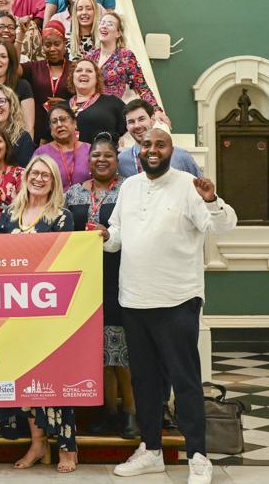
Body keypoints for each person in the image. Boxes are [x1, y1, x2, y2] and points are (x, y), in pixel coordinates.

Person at [103, 123, 238, 483]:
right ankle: (151, 451)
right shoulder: (129, 187)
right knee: (145, 382)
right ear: (138, 149)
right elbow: (116, 237)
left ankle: (198, 455)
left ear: (171, 150)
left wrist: (211, 200)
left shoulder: (188, 186)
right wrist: (104, 236)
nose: (153, 150)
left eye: (160, 145)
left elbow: (223, 227)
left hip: (178, 299)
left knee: (186, 380)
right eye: (147, 144)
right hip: (134, 299)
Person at [0, 156, 78, 472]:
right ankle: (37, 443)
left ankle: (68, 449)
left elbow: (63, 260)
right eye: (35, 173)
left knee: (57, 380)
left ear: (54, 181)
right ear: (26, 176)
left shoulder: (61, 216)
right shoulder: (9, 215)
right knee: (24, 380)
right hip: (14, 313)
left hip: (49, 313)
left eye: (46, 174)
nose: (39, 178)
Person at [65, 134, 137, 438]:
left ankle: (131, 413)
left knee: (121, 349)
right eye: (96, 156)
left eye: (108, 155)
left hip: (121, 278)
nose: (102, 160)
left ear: (116, 158)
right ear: (88, 160)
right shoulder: (72, 194)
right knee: (100, 351)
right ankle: (107, 412)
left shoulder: (129, 191)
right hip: (85, 282)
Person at [118, 100, 203, 178]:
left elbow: (203, 190)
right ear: (127, 126)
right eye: (131, 122)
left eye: (141, 119)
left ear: (153, 119)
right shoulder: (121, 161)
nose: (137, 125)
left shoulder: (181, 157)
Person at [25, 20, 74, 142]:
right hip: (39, 130)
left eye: (57, 44)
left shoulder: (75, 68)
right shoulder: (34, 67)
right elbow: (12, 68)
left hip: (66, 130)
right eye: (47, 45)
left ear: (65, 43)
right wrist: (21, 36)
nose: (52, 49)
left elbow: (87, 98)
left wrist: (67, 104)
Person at [68, 58, 127, 143]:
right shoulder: (61, 107)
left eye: (89, 71)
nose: (83, 73)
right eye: (79, 70)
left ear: (97, 78)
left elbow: (133, 126)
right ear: (72, 77)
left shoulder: (113, 103)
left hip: (101, 155)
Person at [34, 101, 90, 188]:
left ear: (74, 123)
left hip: (87, 200)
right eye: (54, 121)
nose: (59, 124)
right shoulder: (42, 153)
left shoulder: (89, 150)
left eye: (63, 119)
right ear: (51, 129)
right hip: (54, 201)